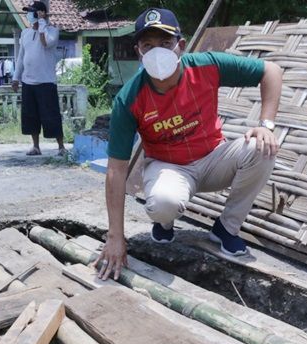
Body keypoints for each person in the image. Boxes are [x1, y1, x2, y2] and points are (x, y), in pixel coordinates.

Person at [95, 7, 283, 279]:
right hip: (169, 167)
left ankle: (226, 229)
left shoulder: (207, 66)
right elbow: (116, 169)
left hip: (214, 158)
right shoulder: (129, 99)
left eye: (165, 43)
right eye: (148, 45)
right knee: (162, 203)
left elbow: (272, 71)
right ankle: (165, 222)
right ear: (138, 51)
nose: (157, 52)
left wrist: (266, 125)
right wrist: (115, 236)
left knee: (261, 149)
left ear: (180, 46)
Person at [11, 1, 65, 156]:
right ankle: (36, 146)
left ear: (40, 13)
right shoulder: (25, 33)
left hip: (46, 82)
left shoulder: (52, 31)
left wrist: (42, 23)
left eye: (32, 12)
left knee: (51, 115)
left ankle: (61, 147)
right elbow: (21, 57)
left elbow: (46, 43)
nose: (29, 15)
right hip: (28, 82)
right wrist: (16, 78)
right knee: (30, 116)